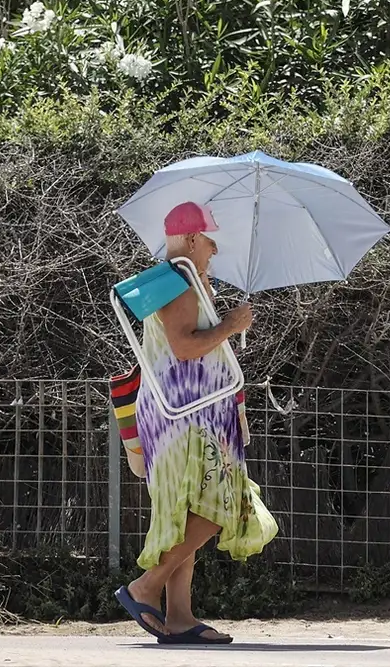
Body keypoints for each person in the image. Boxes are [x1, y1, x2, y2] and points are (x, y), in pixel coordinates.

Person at [114, 201, 278, 646]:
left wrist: (220, 320)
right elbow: (185, 348)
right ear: (190, 239)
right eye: (210, 241)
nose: (215, 251)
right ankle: (144, 588)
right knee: (219, 504)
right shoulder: (178, 283)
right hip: (185, 415)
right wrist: (231, 324)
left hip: (188, 411)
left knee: (186, 510)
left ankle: (181, 616)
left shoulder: (181, 281)